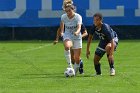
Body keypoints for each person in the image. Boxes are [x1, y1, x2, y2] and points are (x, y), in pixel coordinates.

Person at [58, 3, 83, 74]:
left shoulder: (78, 17)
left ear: (73, 10)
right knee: (67, 46)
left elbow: (79, 27)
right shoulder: (63, 17)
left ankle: (73, 72)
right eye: (66, 11)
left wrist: (77, 32)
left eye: (69, 11)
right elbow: (61, 26)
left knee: (77, 59)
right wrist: (62, 32)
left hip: (77, 37)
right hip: (68, 35)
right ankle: (69, 65)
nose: (68, 13)